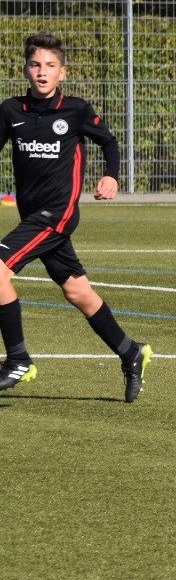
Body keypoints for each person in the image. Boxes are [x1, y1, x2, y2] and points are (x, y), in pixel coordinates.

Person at [0, 32, 151, 400]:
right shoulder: (10, 111)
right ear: (25, 69)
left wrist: (111, 175)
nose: (42, 71)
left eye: (50, 65)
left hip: (58, 214)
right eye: (35, 64)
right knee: (77, 291)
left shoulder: (76, 110)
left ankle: (18, 359)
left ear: (62, 73)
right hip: (32, 215)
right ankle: (131, 351)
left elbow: (109, 142)